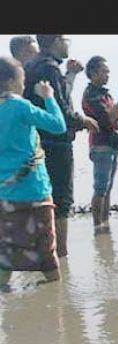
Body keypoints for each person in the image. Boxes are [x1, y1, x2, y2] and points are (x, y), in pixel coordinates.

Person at [23, 34, 99, 257]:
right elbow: (61, 109)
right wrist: (82, 120)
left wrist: (71, 74)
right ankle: (61, 257)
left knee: (40, 199)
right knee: (61, 201)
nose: (68, 45)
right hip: (56, 143)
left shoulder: (32, 66)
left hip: (35, 142)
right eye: (66, 40)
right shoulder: (49, 68)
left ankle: (39, 255)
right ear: (56, 40)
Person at [0, 57, 66, 285]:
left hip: (4, 194)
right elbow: (59, 125)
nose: (24, 84)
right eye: (22, 79)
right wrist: (49, 97)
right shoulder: (20, 106)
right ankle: (56, 300)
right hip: (34, 190)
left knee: (5, 250)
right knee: (46, 248)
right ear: (10, 80)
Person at [81, 56, 118, 234]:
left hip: (110, 144)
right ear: (93, 73)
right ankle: (98, 228)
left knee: (107, 188)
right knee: (101, 188)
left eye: (108, 72)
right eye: (104, 71)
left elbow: (117, 116)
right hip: (100, 145)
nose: (107, 75)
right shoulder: (91, 94)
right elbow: (108, 117)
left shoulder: (105, 94)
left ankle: (104, 226)